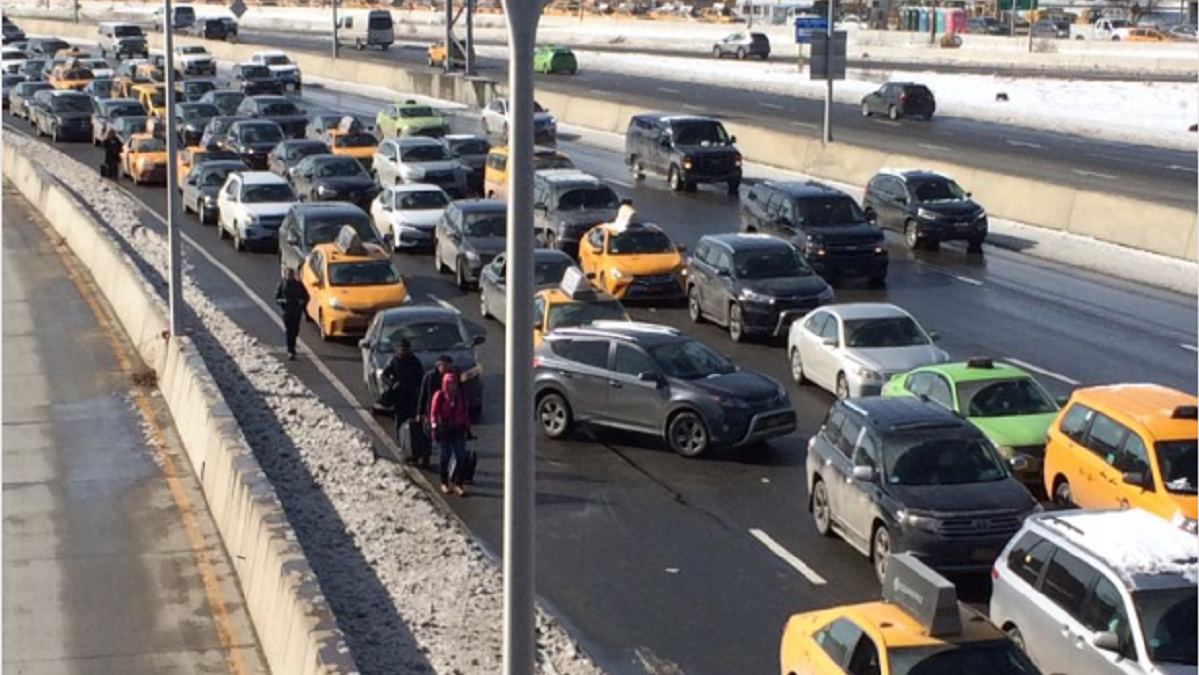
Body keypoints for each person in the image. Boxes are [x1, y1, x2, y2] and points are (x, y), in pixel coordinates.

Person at [430, 372, 472, 496]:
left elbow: (465, 413)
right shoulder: (440, 396)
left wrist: (468, 429)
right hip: (444, 430)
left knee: (461, 457)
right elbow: (434, 412)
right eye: (449, 383)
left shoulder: (461, 396)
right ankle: (444, 483)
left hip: (458, 429)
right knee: (445, 457)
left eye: (454, 383)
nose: (452, 386)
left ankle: (459, 484)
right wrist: (434, 427)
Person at [381, 338, 425, 442]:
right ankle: (401, 441)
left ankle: (415, 441)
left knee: (414, 420)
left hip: (412, 395)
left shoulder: (414, 361)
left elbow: (421, 377)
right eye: (401, 349)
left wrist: (418, 388)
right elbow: (384, 376)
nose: (403, 352)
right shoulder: (393, 361)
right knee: (400, 420)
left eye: (405, 349)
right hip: (399, 395)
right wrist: (392, 384)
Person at [274, 267, 309, 360]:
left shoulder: (299, 285)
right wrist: (283, 301)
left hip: (296, 312)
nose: (290, 276)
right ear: (285, 275)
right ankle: (290, 350)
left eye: (292, 274)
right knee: (289, 331)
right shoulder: (282, 285)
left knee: (295, 331)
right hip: (287, 312)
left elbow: (306, 296)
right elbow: (276, 298)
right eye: (288, 274)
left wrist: (302, 303)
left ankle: (293, 345)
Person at [417, 354, 455, 424]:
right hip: (431, 408)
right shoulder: (429, 377)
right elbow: (423, 394)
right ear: (438, 365)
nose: (446, 368)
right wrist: (419, 413)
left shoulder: (453, 376)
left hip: (449, 409)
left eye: (448, 366)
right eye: (444, 365)